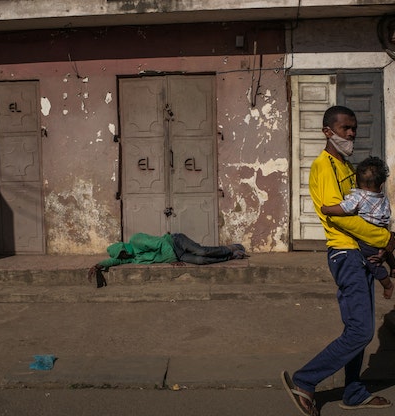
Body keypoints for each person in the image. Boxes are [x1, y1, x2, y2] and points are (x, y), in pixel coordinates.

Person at [281, 106, 395, 416]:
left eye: (354, 128)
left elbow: (363, 209)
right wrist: (383, 238)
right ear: (327, 131)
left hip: (361, 252)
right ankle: (305, 380)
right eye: (346, 128)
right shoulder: (324, 166)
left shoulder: (346, 165)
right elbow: (341, 217)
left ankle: (354, 392)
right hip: (346, 253)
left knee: (357, 327)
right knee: (360, 332)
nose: (352, 134)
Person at [321, 156, 395, 300]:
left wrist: (327, 209)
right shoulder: (383, 198)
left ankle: (387, 284)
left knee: (373, 262)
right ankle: (393, 265)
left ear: (356, 182)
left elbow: (344, 209)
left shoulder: (358, 197)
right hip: (383, 232)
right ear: (381, 186)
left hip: (367, 237)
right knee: (386, 250)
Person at [88, 232, 248, 286]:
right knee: (201, 261)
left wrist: (171, 259)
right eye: (121, 256)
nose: (123, 256)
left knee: (201, 251)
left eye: (122, 253)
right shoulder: (133, 257)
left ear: (123, 248)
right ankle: (232, 255)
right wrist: (98, 266)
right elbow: (115, 262)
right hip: (176, 255)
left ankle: (231, 247)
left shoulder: (137, 240)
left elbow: (161, 243)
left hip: (175, 241)